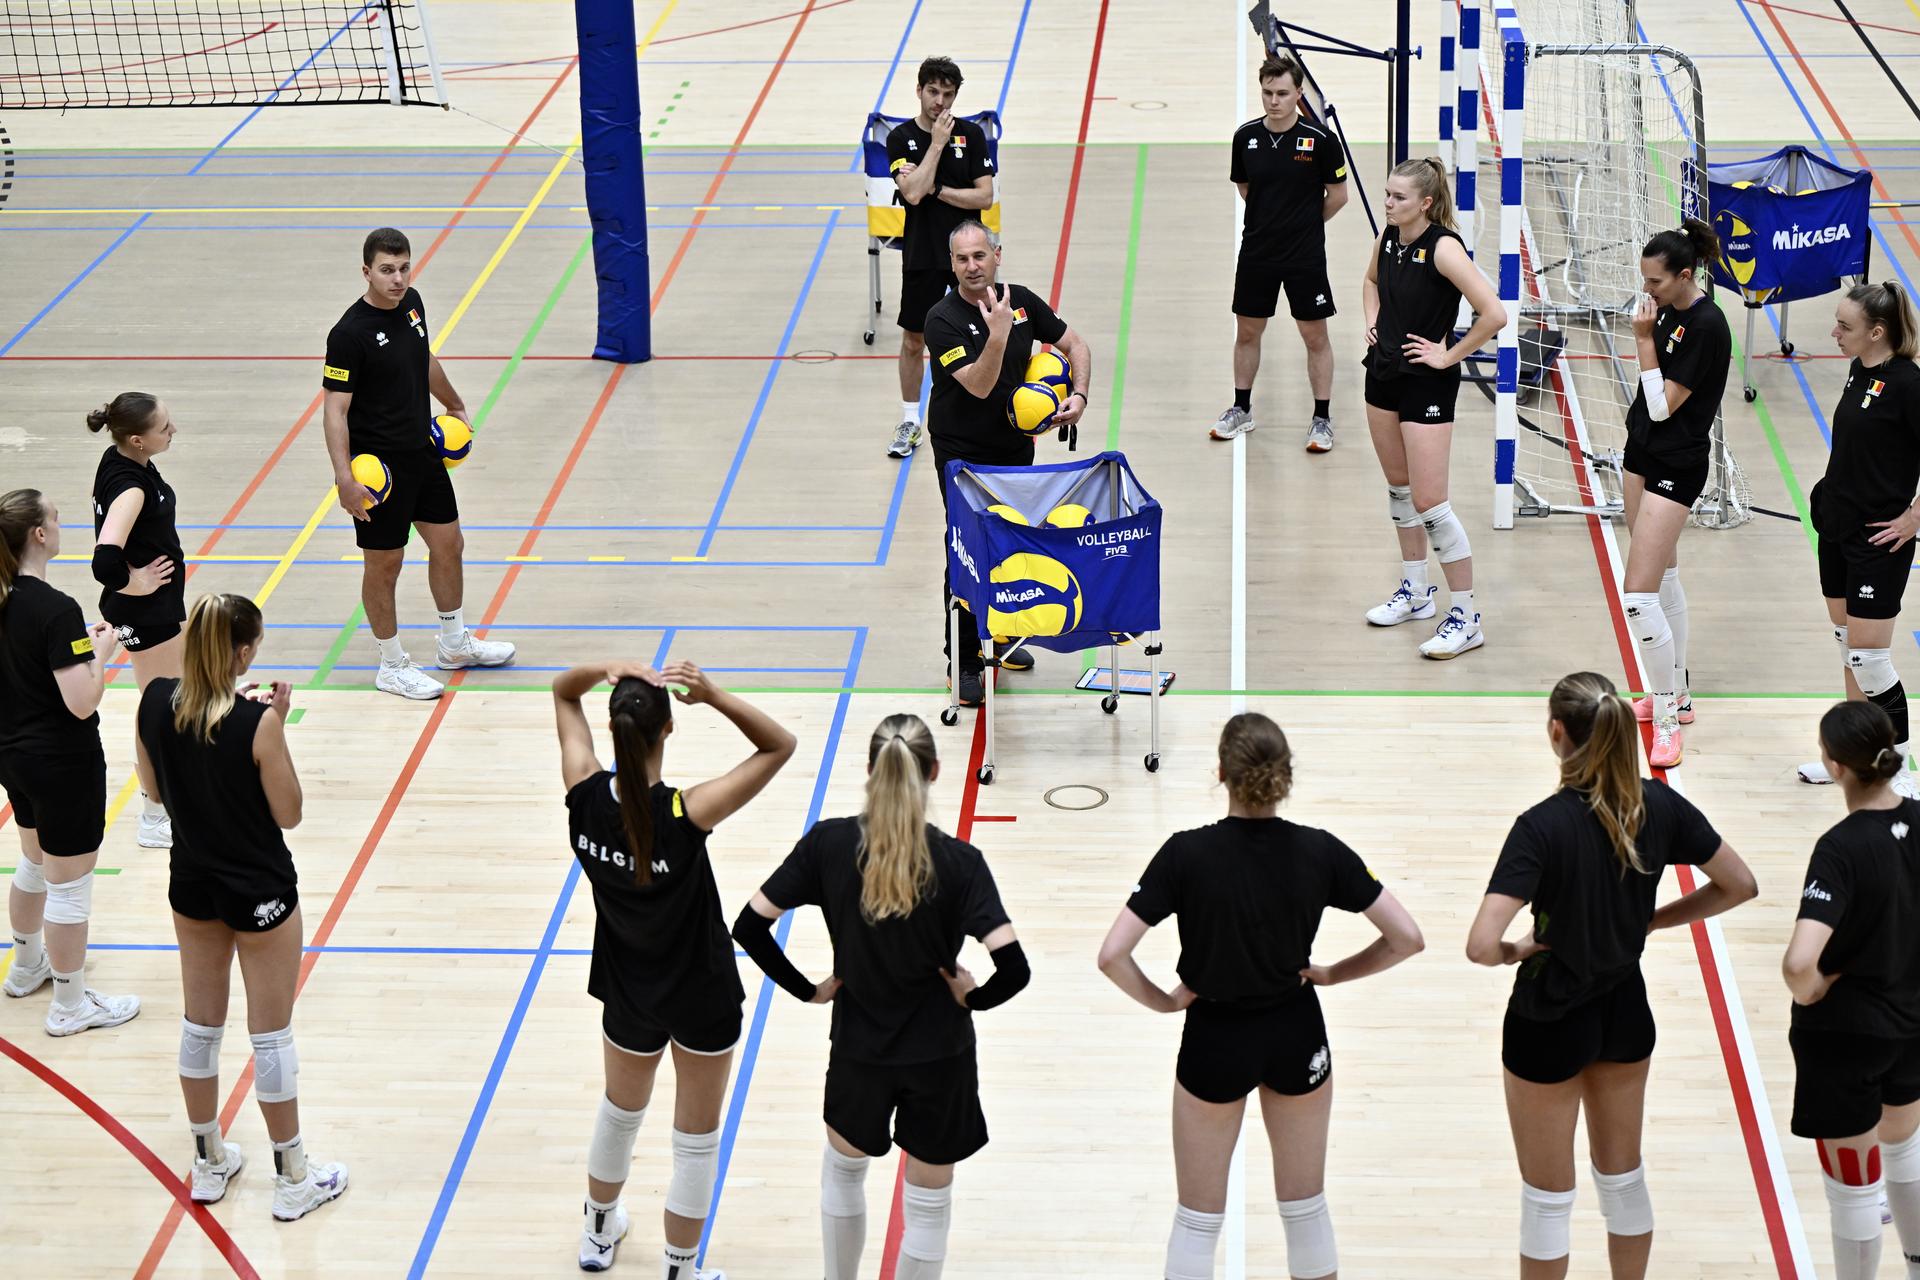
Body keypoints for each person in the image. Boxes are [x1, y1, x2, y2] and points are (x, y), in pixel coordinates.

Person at [1098, 712, 1424, 1280]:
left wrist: (1166, 1001)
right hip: (1295, 1031)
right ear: (1285, 776)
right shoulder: (1321, 851)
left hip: (1213, 1037)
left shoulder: (1184, 854)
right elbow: (1407, 938)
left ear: (1221, 772)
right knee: (1306, 1212)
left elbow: (1112, 955)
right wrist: (1330, 974)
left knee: (1197, 1224)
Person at [1467, 671, 1757, 1279]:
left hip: (1546, 1018)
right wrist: (1650, 921)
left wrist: (1517, 951)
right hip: (1625, 1012)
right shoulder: (1660, 804)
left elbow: (1480, 943)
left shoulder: (1540, 827)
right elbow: (1740, 884)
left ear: (1556, 733)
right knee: (1623, 1179)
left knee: (1547, 1201)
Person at [733, 713, 1029, 1280]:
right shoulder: (962, 865)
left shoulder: (827, 844)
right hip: (940, 1056)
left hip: (858, 1049)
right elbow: (1014, 969)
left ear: (870, 771)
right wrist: (974, 998)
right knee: (928, 1206)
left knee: (843, 1175)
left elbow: (748, 925)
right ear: (935, 773)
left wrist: (808, 990)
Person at [554, 658, 795, 1275]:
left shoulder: (582, 796)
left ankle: (598, 1236)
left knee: (619, 1113)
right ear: (668, 730)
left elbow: (562, 691)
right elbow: (779, 745)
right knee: (695, 1141)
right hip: (701, 992)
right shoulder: (688, 812)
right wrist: (713, 694)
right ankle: (679, 1268)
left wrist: (601, 669)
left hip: (628, 989)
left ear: (611, 730)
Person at [132, 593, 346, 1221]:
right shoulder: (258, 724)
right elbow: (290, 813)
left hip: (192, 884)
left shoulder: (151, 703)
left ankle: (207, 1162)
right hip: (260, 890)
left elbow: (151, 788)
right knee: (270, 1033)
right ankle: (293, 1177)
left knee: (201, 1026)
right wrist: (276, 721)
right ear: (244, 651)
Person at [322, 225, 514, 701]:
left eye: (404, 267)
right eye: (387, 270)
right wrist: (344, 480)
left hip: (422, 453)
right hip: (379, 473)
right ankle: (391, 664)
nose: (398, 278)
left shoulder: (413, 304)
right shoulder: (348, 335)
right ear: (366, 271)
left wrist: (454, 402)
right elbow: (334, 410)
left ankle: (453, 643)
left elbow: (422, 357)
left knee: (449, 544)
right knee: (385, 564)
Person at [923, 220, 1093, 701]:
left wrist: (1078, 396)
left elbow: (1075, 345)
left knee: (1012, 541)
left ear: (997, 254)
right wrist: (997, 332)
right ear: (951, 263)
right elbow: (977, 385)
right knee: (967, 547)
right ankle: (964, 659)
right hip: (962, 456)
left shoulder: (1022, 300)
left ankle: (1001, 634)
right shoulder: (943, 319)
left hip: (1016, 450)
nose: (972, 266)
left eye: (980, 256)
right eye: (962, 259)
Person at [1785, 700, 1920, 1279]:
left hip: (1844, 1038)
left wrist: (1811, 988)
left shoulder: (1839, 847)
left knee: (1855, 1191)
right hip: (1911, 1025)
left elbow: (1799, 963)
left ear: (1835, 766)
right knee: (1906, 1155)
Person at [0, 488, 139, 1036]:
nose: (61, 523)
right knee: (69, 885)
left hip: (13, 756)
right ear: (39, 534)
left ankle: (27, 964)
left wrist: (76, 655)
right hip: (62, 761)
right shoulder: (56, 608)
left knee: (34, 864)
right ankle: (70, 1004)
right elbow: (81, 700)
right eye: (55, 517)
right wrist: (100, 654)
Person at [1359, 157, 1507, 660]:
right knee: (1399, 491)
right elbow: (1371, 283)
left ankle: (1466, 615)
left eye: (1398, 198)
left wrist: (1448, 355)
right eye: (1386, 195)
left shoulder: (1444, 248)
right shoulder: (1388, 238)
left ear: (1425, 202)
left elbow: (1495, 313)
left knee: (1431, 503)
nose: (1388, 203)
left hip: (1427, 384)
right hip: (1381, 374)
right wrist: (1373, 322)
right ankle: (1416, 591)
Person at [1618, 219, 1733, 769]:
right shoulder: (1666, 311)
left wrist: (1642, 341)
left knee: (1638, 596)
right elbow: (1648, 406)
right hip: (1640, 451)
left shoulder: (1708, 326)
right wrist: (1649, 333)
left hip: (1676, 463)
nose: (1648, 293)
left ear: (1685, 276)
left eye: (1656, 283)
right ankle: (1679, 695)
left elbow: (1664, 404)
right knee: (1662, 579)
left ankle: (1667, 720)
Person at [1799, 282, 1920, 797]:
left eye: (1845, 327)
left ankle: (1903, 766)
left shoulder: (1910, 385)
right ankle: (1852, 756)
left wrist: (1915, 517)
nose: (1834, 333)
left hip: (1878, 539)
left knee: (1871, 658)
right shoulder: (1859, 370)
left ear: (1877, 331)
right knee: (1850, 648)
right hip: (1837, 527)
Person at [1209, 53, 1350, 451]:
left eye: (1283, 93)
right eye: (1268, 93)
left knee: (1314, 336)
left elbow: (1338, 196)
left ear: (1298, 93)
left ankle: (1321, 418)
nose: (1274, 100)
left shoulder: (1321, 141)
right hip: (1257, 253)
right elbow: (1246, 188)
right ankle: (1242, 409)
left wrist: (1303, 224)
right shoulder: (1246, 137)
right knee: (1248, 332)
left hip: (1305, 257)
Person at [884, 56, 996, 459]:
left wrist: (939, 190)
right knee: (914, 339)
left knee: (981, 335)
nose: (940, 102)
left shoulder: (973, 135)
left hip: (969, 258)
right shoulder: (899, 138)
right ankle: (911, 420)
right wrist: (936, 146)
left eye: (948, 94)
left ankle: (981, 406)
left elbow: (984, 196)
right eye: (933, 92)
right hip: (924, 255)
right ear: (919, 91)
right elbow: (911, 192)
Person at [87, 391, 183, 849]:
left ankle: (168, 799)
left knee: (171, 703)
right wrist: (136, 583)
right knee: (158, 710)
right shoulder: (131, 486)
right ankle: (153, 815)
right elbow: (105, 561)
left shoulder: (123, 459)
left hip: (160, 610)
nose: (172, 431)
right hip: (146, 613)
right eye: (164, 428)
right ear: (137, 440)